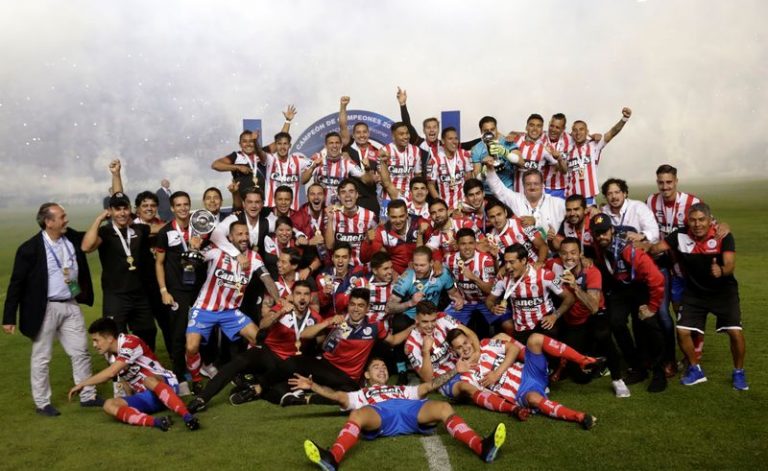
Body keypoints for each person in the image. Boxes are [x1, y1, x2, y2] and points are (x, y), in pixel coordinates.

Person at [295, 357, 506, 470]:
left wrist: (455, 372)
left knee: (444, 407)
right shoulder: (361, 394)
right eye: (376, 367)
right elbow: (337, 396)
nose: (382, 369)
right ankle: (332, 457)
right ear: (366, 374)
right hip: (380, 413)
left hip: (409, 409)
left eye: (384, 366)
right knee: (357, 415)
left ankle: (481, 447)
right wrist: (313, 386)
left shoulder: (402, 388)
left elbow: (429, 386)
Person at [3, 203, 102, 416]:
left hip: (71, 304)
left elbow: (91, 239)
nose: (66, 220)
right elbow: (16, 284)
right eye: (62, 217)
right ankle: (42, 403)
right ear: (48, 222)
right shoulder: (29, 249)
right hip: (45, 308)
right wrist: (9, 318)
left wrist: (102, 219)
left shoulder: (71, 237)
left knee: (81, 351)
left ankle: (87, 395)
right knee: (42, 357)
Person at [648, 203, 748, 390]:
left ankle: (739, 372)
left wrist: (722, 270)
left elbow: (730, 264)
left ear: (710, 220)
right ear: (688, 221)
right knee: (682, 331)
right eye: (693, 220)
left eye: (702, 220)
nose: (697, 224)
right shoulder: (679, 235)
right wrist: (640, 245)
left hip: (723, 293)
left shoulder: (722, 236)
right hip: (695, 293)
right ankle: (695, 369)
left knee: (735, 332)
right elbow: (656, 248)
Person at [187, 280, 323, 411]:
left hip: (288, 364)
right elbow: (263, 325)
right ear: (292, 296)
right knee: (239, 361)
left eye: (306, 294)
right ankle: (202, 398)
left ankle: (252, 389)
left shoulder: (315, 318)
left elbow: (320, 343)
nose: (302, 297)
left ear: (310, 297)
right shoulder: (281, 309)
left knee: (283, 391)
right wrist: (281, 313)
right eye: (298, 293)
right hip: (269, 353)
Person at [278, 288, 414, 406]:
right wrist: (327, 323)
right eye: (352, 304)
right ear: (348, 305)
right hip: (327, 368)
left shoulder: (374, 327)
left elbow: (394, 341)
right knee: (294, 362)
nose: (356, 309)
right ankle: (269, 387)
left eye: (360, 305)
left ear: (367, 308)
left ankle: (305, 398)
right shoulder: (340, 322)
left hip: (347, 378)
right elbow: (304, 334)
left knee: (353, 395)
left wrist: (412, 327)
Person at [185, 221, 280, 386]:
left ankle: (248, 372)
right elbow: (191, 263)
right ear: (230, 237)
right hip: (205, 309)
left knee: (258, 339)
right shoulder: (216, 251)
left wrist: (279, 301)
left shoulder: (254, 257)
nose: (244, 237)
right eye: (239, 234)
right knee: (191, 347)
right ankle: (196, 379)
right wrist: (193, 249)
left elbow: (267, 280)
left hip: (230, 312)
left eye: (246, 234)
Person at [447, 329, 597, 429]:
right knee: (533, 399)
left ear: (469, 340)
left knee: (534, 339)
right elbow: (474, 395)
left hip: (529, 371)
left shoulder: (486, 344)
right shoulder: (466, 376)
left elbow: (514, 349)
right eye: (459, 347)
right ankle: (579, 416)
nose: (465, 348)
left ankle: (583, 360)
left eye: (465, 343)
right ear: (453, 351)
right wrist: (457, 371)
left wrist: (497, 373)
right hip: (523, 392)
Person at [68, 318, 199, 431]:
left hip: (167, 386)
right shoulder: (109, 355)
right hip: (148, 397)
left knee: (148, 380)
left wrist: (83, 384)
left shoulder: (130, 342)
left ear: (109, 338)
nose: (94, 345)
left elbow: (111, 372)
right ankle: (158, 422)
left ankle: (187, 417)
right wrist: (128, 400)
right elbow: (123, 377)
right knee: (108, 405)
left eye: (96, 340)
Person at [589, 213, 667, 393]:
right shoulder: (599, 246)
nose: (601, 236)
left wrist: (652, 307)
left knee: (649, 323)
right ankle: (637, 366)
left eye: (604, 232)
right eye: (597, 233)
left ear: (612, 230)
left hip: (640, 287)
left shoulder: (629, 249)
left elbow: (656, 278)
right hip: (620, 290)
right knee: (615, 322)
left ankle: (659, 372)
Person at [546, 237, 626, 397]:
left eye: (573, 253)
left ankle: (617, 379)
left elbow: (594, 307)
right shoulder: (554, 265)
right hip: (573, 320)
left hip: (594, 316)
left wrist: (575, 286)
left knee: (602, 334)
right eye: (564, 253)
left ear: (580, 254)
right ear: (559, 255)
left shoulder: (592, 271)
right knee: (580, 378)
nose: (569, 257)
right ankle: (597, 360)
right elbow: (535, 266)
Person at [81, 191, 157, 350]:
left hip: (139, 294)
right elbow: (86, 247)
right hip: (116, 296)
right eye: (117, 209)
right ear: (110, 211)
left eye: (125, 208)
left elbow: (161, 228)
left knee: (148, 333)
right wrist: (99, 219)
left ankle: (144, 364)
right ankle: (120, 367)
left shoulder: (140, 230)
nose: (122, 213)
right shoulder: (105, 232)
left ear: (130, 209)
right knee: (115, 337)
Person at [155, 191, 206, 385]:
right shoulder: (165, 232)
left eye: (186, 204)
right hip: (177, 290)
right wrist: (163, 291)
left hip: (199, 289)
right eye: (178, 205)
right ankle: (179, 376)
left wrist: (197, 247)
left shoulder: (199, 228)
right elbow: (159, 263)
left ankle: (199, 368)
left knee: (201, 330)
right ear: (172, 208)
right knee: (178, 334)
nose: (183, 208)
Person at [486, 244, 575, 342]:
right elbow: (489, 300)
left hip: (544, 325)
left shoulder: (545, 275)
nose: (507, 267)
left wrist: (555, 315)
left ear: (523, 260)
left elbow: (569, 298)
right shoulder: (503, 278)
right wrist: (492, 307)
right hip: (521, 330)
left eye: (511, 262)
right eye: (506, 262)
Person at [566, 108, 632, 203]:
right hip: (571, 198)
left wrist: (624, 118)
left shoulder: (594, 145)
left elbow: (612, 132)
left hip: (589, 198)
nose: (578, 133)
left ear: (587, 132)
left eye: (581, 129)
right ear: (572, 133)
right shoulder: (567, 149)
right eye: (575, 130)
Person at [484, 160, 566, 236]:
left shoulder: (558, 203)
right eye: (528, 184)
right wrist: (490, 169)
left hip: (550, 246)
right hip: (521, 245)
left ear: (542, 185)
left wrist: (536, 222)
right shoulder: (516, 199)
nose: (532, 187)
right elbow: (498, 189)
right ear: (523, 185)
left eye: (536, 184)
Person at [444, 228, 500, 335]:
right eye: (463, 244)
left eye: (470, 243)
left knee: (507, 323)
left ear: (475, 244)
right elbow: (444, 279)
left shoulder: (486, 259)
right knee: (443, 323)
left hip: (485, 302)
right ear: (457, 245)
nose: (467, 247)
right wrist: (456, 297)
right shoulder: (449, 260)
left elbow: (490, 290)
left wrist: (473, 277)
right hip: (464, 303)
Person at [387, 246, 464, 319]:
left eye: (422, 265)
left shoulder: (443, 274)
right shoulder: (405, 279)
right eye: (416, 265)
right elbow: (389, 308)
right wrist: (410, 303)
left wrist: (459, 301)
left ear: (431, 263)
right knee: (399, 323)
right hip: (410, 318)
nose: (418, 269)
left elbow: (454, 294)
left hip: (433, 316)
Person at [303, 132, 373, 207]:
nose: (334, 146)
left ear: (341, 145)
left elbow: (368, 181)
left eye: (337, 143)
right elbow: (303, 180)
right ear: (326, 146)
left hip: (340, 209)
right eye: (331, 143)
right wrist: (313, 167)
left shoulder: (347, 162)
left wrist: (367, 169)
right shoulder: (317, 158)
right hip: (320, 208)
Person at [324, 178, 378, 266]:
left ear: (357, 195)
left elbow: (375, 243)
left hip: (362, 267)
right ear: (338, 197)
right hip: (341, 267)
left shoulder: (370, 216)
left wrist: (370, 240)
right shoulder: (333, 215)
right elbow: (329, 246)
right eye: (343, 192)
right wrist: (330, 219)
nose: (347, 195)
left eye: (351, 191)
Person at [360, 199, 420, 275]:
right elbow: (364, 259)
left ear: (406, 214)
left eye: (401, 216)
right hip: (395, 274)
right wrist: (367, 242)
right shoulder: (381, 231)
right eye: (394, 217)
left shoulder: (419, 224)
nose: (398, 221)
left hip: (419, 270)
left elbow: (433, 247)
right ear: (388, 215)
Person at [507, 114, 564, 193]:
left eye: (538, 126)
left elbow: (563, 170)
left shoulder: (545, 148)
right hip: (517, 195)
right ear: (526, 127)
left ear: (542, 130)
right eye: (531, 125)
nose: (535, 129)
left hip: (537, 196)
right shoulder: (516, 141)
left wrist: (559, 159)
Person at [484, 199, 549, 264]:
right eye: (492, 217)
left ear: (505, 213)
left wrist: (539, 263)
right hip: (516, 270)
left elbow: (543, 246)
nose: (497, 220)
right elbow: (501, 264)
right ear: (488, 218)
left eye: (499, 214)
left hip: (536, 264)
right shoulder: (491, 239)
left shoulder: (522, 223)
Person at [470, 116, 521, 193]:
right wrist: (484, 171)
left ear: (496, 129)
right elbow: (477, 176)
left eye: (492, 129)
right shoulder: (477, 148)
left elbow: (521, 162)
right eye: (486, 130)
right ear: (481, 131)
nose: (490, 132)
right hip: (488, 191)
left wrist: (505, 152)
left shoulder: (507, 141)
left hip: (506, 189)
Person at [376, 122, 426, 201]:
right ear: (393, 137)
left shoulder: (416, 150)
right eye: (401, 134)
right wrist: (395, 192)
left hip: (410, 197)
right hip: (389, 196)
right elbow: (381, 178)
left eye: (407, 133)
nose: (406, 137)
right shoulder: (384, 151)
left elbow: (418, 175)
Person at [601, 178, 660, 243]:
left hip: (638, 248)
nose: (614, 196)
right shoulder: (602, 212)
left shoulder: (639, 207)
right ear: (605, 197)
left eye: (617, 192)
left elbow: (654, 232)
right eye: (609, 193)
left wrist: (642, 236)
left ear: (625, 193)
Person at [426, 127, 473, 208]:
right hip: (445, 207)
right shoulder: (434, 160)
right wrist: (441, 205)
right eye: (450, 139)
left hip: (464, 205)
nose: (454, 142)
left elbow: (469, 180)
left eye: (456, 138)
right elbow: (430, 185)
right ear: (443, 141)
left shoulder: (464, 155)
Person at [539, 113, 574, 199]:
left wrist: (594, 137)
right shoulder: (540, 137)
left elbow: (564, 169)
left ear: (563, 129)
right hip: (543, 187)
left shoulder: (570, 140)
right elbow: (527, 135)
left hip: (563, 188)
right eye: (552, 126)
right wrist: (514, 133)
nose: (553, 130)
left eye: (557, 127)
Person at [552, 194, 596, 259]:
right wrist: (551, 240)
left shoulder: (594, 221)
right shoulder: (566, 223)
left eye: (576, 209)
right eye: (568, 210)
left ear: (585, 210)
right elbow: (557, 245)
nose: (572, 213)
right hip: (576, 260)